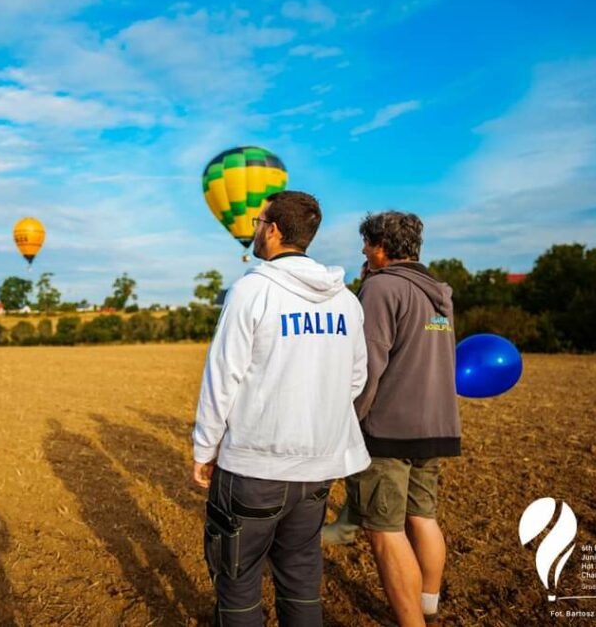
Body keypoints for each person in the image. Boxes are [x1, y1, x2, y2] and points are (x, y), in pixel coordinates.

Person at [191, 191, 371, 626]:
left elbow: (223, 379)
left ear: (272, 229)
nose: (254, 229)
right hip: (318, 467)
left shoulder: (251, 291)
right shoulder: (345, 300)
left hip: (254, 467)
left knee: (238, 579)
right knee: (301, 575)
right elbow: (355, 378)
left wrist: (204, 449)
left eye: (258, 221)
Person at [341, 211, 460, 627]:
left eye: (367, 243)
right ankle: (428, 607)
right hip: (437, 425)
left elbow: (368, 366)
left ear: (381, 247)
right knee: (422, 517)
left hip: (388, 430)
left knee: (384, 531)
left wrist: (348, 422)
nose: (362, 250)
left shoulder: (381, 288)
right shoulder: (438, 293)